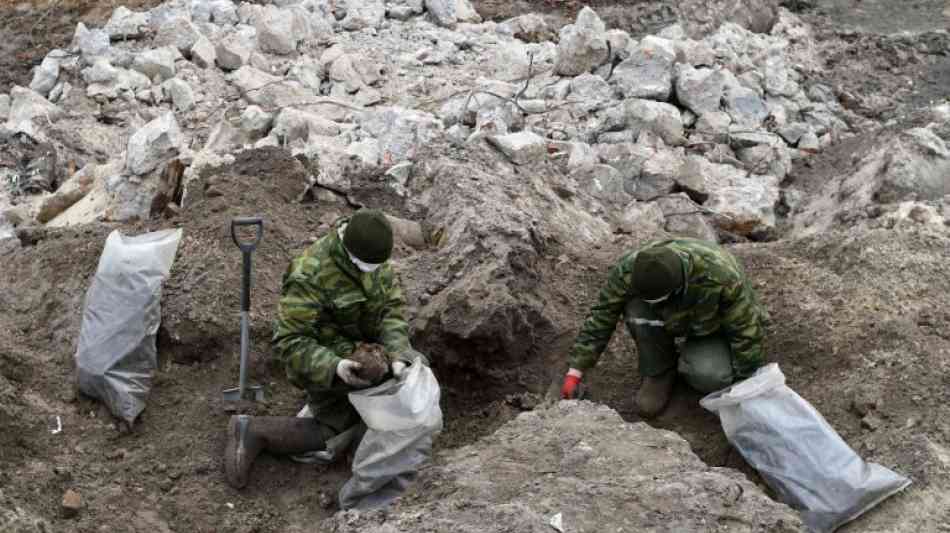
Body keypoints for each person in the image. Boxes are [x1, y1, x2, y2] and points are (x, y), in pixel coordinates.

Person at [225, 209, 426, 489]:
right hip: (330, 360)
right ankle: (252, 431)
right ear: (349, 250)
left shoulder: (376, 262)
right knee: (333, 433)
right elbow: (290, 342)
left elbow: (391, 312)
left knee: (416, 371)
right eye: (365, 266)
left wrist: (398, 355)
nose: (372, 271)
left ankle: (365, 416)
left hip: (370, 352)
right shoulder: (310, 273)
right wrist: (335, 367)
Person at [560, 238, 767, 418]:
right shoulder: (631, 270)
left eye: (658, 301)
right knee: (636, 310)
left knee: (712, 376)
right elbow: (602, 315)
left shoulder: (720, 276)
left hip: (709, 325)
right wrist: (575, 371)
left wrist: (745, 384)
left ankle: (695, 355)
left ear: (677, 287)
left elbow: (745, 329)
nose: (653, 306)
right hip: (674, 316)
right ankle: (660, 369)